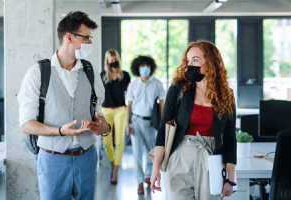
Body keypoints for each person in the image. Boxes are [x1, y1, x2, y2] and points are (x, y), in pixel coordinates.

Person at [17, 11, 111, 200]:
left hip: (87, 157)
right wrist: (60, 131)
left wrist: (103, 128)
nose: (90, 43)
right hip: (52, 159)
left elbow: (101, 120)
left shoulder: (91, 73)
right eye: (87, 38)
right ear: (69, 37)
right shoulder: (37, 73)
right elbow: (26, 124)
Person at [150, 40, 237, 200]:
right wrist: (155, 168)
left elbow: (230, 137)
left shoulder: (226, 95)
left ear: (210, 62)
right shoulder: (178, 88)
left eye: (195, 60)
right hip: (180, 156)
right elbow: (164, 129)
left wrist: (231, 177)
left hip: (211, 159)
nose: (190, 65)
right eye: (188, 61)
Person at [126, 55, 165, 194]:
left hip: (151, 123)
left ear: (151, 67)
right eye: (142, 66)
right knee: (136, 153)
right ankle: (139, 182)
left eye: (147, 66)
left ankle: (148, 176)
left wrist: (162, 124)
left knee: (151, 152)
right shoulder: (133, 84)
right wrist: (127, 124)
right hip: (136, 121)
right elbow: (129, 106)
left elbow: (162, 104)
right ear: (137, 68)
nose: (145, 69)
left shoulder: (157, 84)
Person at [100, 49, 131, 184]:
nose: (114, 62)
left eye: (116, 59)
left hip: (120, 110)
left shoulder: (125, 75)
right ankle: (112, 164)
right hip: (106, 110)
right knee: (106, 142)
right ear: (107, 61)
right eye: (111, 60)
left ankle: (116, 170)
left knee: (119, 141)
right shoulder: (102, 75)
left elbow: (130, 94)